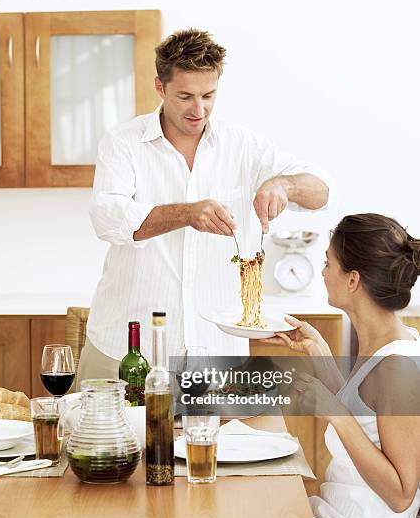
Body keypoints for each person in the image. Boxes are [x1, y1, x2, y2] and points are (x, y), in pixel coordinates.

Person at [79, 27, 335, 381]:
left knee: (212, 440)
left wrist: (284, 184)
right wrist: (186, 213)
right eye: (185, 96)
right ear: (160, 86)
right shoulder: (124, 143)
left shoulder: (243, 146)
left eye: (209, 95)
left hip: (217, 354)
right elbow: (107, 219)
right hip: (124, 350)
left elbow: (321, 191)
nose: (199, 109)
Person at [261, 214, 420, 518]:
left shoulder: (399, 367)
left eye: (328, 263)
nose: (322, 273)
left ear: (353, 279)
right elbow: (362, 411)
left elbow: (401, 495)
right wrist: (318, 349)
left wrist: (331, 411)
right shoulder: (385, 345)